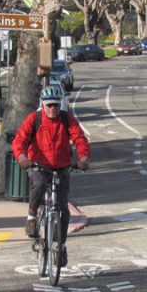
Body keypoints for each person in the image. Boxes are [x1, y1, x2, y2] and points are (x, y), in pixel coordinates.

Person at [11, 86, 90, 267]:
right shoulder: (34, 119)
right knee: (39, 184)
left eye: (56, 104)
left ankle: (61, 247)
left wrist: (83, 158)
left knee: (63, 208)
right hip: (38, 165)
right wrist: (22, 158)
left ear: (60, 104)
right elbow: (19, 140)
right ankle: (32, 217)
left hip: (62, 167)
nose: (53, 108)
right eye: (49, 105)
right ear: (43, 104)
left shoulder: (66, 119)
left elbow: (80, 139)